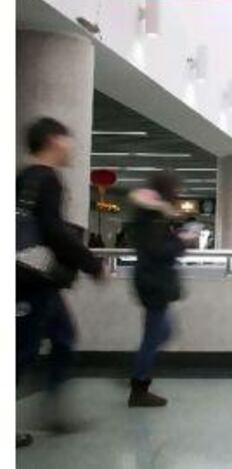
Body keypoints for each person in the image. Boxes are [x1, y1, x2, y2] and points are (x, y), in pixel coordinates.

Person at [16, 117, 107, 447]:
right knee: (21, 350)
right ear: (54, 141)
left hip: (38, 278)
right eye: (68, 139)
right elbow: (52, 230)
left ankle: (54, 410)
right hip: (30, 279)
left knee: (64, 337)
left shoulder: (25, 178)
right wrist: (92, 264)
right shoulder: (46, 178)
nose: (72, 146)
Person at [127, 172, 195, 407]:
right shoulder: (153, 216)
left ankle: (139, 371)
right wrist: (181, 242)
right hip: (153, 282)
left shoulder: (151, 214)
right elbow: (159, 250)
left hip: (150, 280)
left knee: (160, 333)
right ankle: (139, 382)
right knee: (155, 335)